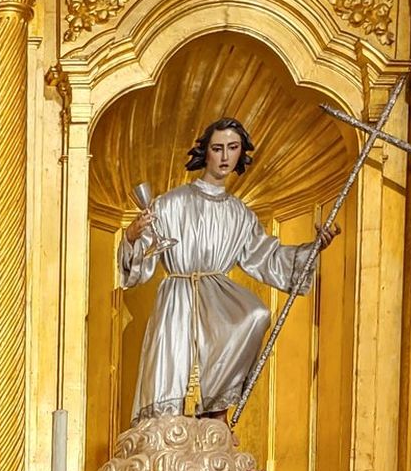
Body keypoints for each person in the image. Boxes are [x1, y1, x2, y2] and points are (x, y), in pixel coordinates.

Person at [120, 116, 336, 423]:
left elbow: (268, 257)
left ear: (240, 154)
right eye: (217, 148)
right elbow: (142, 261)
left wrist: (314, 248)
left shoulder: (240, 214)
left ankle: (214, 412)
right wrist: (131, 235)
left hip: (216, 297)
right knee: (170, 376)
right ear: (205, 153)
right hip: (178, 297)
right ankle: (166, 439)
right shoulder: (170, 203)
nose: (224, 156)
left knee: (255, 314)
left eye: (232, 148)